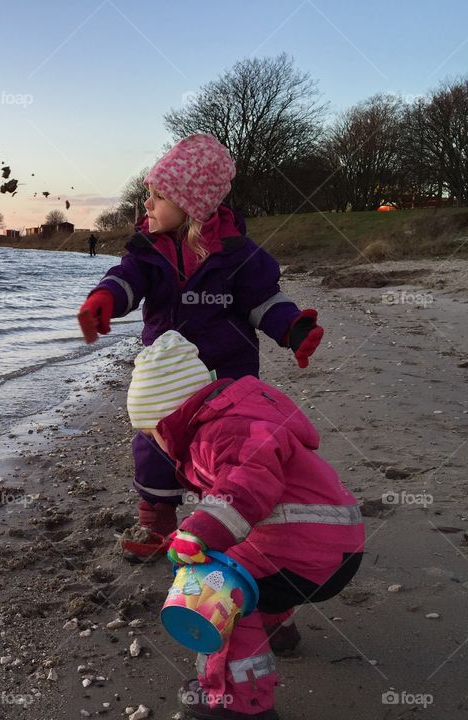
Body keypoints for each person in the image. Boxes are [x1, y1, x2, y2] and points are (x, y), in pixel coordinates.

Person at [76, 134, 324, 562]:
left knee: (234, 454)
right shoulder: (147, 252)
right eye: (146, 196)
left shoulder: (237, 255)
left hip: (227, 380)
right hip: (167, 382)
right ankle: (157, 526)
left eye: (156, 197)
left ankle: (238, 530)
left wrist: (292, 330)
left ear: (190, 203)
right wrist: (105, 300)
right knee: (153, 447)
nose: (146, 207)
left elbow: (264, 300)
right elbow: (126, 281)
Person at [129, 331, 364, 719]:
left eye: (154, 434)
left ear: (169, 417)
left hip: (309, 551)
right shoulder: (238, 419)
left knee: (216, 586)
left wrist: (201, 533)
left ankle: (238, 701)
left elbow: (245, 485)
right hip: (331, 543)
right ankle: (278, 629)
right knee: (247, 551)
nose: (156, 444)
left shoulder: (224, 433)